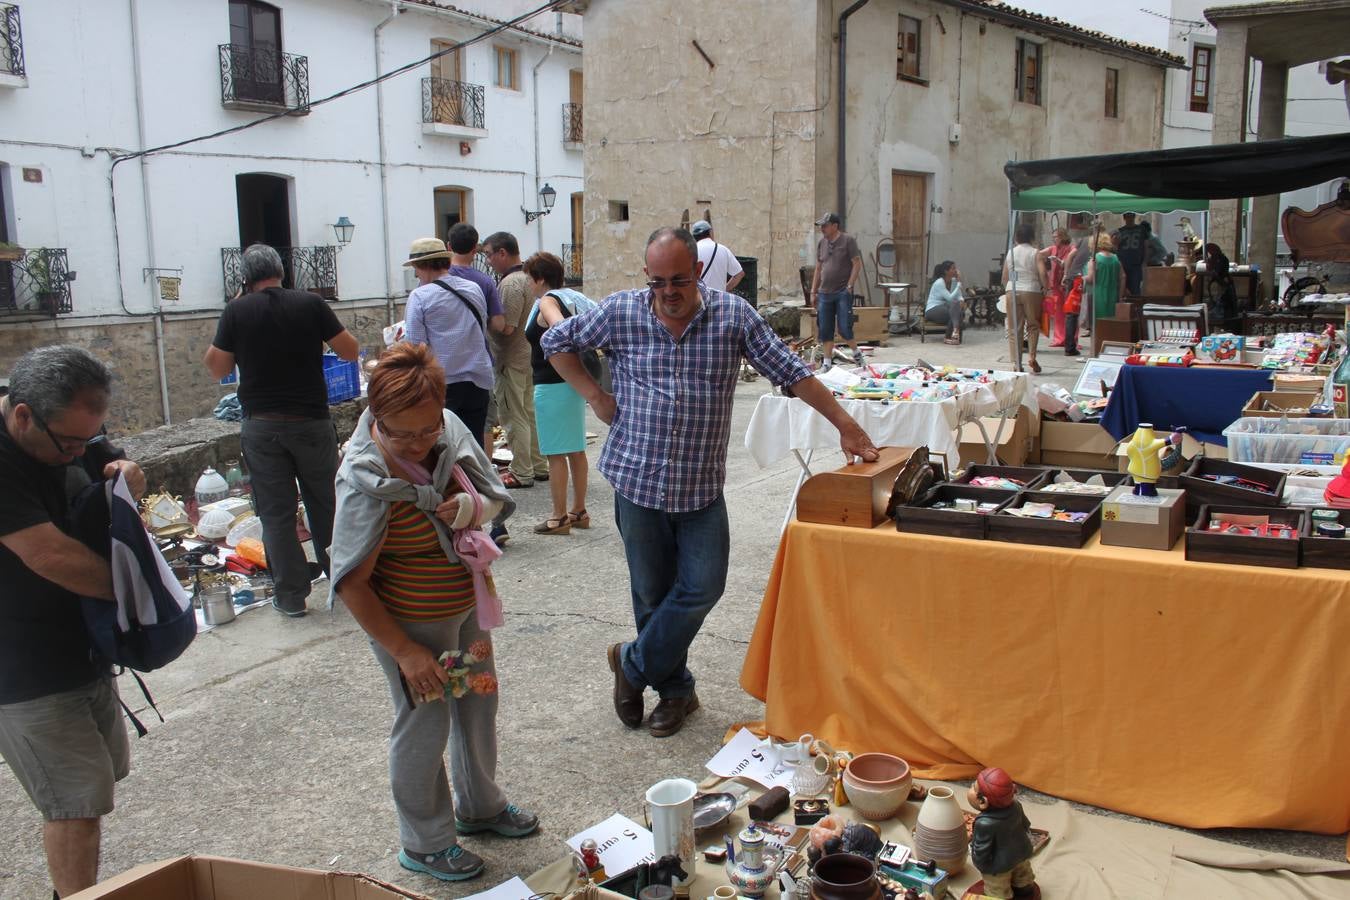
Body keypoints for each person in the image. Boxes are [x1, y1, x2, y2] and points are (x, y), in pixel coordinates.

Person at [542, 227, 878, 737]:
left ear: (698, 270)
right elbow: (554, 341)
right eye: (658, 281)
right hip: (637, 480)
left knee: (701, 588)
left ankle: (630, 664)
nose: (668, 291)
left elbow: (791, 371)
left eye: (679, 279)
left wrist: (845, 425)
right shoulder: (621, 311)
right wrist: (594, 395)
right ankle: (676, 693)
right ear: (646, 278)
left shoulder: (733, 316)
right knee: (652, 597)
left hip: (699, 488)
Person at [329, 342, 537, 884]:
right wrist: (404, 651)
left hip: (463, 608)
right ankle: (425, 842)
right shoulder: (365, 479)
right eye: (401, 434)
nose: (419, 445)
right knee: (424, 723)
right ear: (376, 418)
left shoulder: (446, 428)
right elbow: (350, 581)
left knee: (476, 706)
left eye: (427, 432)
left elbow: (493, 493)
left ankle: (481, 807)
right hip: (409, 625)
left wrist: (474, 506)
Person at [0, 345, 147, 898]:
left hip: (78, 645)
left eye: (90, 438)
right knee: (74, 803)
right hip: (20, 664)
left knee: (101, 779)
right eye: (68, 444)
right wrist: (139, 592)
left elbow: (109, 468)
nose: (78, 453)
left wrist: (126, 471)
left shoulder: (69, 433)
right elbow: (48, 556)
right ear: (22, 415)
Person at [205, 243, 359, 617]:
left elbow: (216, 366)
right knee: (325, 503)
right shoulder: (310, 304)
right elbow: (350, 351)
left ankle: (291, 597)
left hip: (263, 425)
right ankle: (344, 587)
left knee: (276, 514)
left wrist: (239, 306)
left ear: (245, 278)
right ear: (282, 272)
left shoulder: (237, 310)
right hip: (310, 419)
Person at [522, 251, 595, 536]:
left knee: (554, 453)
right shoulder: (573, 298)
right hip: (572, 382)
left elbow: (559, 328)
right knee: (576, 448)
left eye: (530, 279)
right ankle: (579, 510)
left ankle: (558, 516)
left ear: (540, 279)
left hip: (551, 384)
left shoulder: (548, 300)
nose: (529, 284)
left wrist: (558, 350)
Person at [403, 238, 496, 446]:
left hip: (442, 384)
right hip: (477, 380)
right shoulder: (473, 289)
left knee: (444, 448)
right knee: (473, 446)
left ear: (422, 266)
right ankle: (474, 479)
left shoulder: (420, 296)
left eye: (415, 269)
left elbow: (416, 348)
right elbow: (480, 329)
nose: (416, 274)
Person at [482, 231, 549, 490]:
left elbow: (506, 327)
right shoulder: (529, 279)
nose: (488, 261)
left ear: (502, 253)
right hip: (530, 355)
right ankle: (539, 464)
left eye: (489, 254)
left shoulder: (509, 284)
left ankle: (522, 471)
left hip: (510, 358)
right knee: (531, 414)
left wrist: (483, 320)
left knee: (513, 416)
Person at [967, 767, 1037, 900]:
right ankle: (1026, 891)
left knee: (997, 888)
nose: (970, 789)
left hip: (998, 866)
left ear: (983, 802)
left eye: (973, 787)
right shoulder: (1016, 805)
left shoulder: (984, 823)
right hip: (1022, 853)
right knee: (1023, 877)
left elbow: (982, 850)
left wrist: (982, 866)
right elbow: (1026, 825)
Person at [808, 212, 864, 371]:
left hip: (842, 292)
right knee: (825, 328)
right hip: (824, 293)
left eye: (825, 226)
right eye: (821, 226)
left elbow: (856, 264)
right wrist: (813, 291)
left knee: (844, 327)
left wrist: (850, 286)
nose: (822, 229)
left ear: (835, 226)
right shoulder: (822, 243)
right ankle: (827, 363)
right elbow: (818, 268)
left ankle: (857, 353)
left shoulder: (848, 241)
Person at [1002, 224, 1045, 374]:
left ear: (1017, 238)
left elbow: (1005, 276)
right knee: (1033, 325)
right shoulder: (1036, 253)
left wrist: (1010, 286)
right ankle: (1032, 356)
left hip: (1012, 290)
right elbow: (1042, 273)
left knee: (1015, 328)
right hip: (1032, 290)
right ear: (1031, 237)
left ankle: (1016, 362)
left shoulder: (1010, 253)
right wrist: (1046, 287)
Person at [1037, 228, 1073, 348]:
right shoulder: (1052, 249)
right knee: (1058, 312)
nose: (1054, 239)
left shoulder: (1070, 248)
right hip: (1056, 284)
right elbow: (1039, 254)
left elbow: (1071, 260)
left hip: (1067, 283)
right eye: (1053, 236)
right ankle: (1059, 338)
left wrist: (1059, 261)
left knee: (1069, 311)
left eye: (1056, 236)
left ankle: (1070, 338)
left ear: (1062, 237)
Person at [692, 220, 744, 293]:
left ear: (694, 236)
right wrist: (724, 290)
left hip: (699, 298)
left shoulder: (691, 251)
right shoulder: (723, 250)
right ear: (710, 232)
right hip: (719, 300)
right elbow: (739, 274)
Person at [1086, 232, 1126, 328]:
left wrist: (1080, 278)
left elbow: (1091, 279)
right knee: (1111, 324)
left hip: (1098, 295)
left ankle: (1098, 342)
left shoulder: (1095, 259)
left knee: (1098, 325)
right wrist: (1120, 296)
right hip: (1113, 294)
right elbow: (1123, 277)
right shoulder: (1116, 258)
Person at [924, 261, 965, 345]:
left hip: (945, 307)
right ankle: (949, 337)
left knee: (959, 312)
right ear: (946, 271)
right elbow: (950, 298)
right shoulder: (939, 282)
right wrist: (959, 284)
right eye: (953, 268)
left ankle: (953, 336)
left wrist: (961, 300)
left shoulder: (952, 281)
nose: (956, 270)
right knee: (956, 313)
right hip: (933, 309)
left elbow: (957, 295)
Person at [1196, 242, 1237, 323]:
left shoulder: (1221, 259)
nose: (1209, 254)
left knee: (1222, 302)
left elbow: (1219, 272)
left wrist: (1215, 275)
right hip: (1219, 282)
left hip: (1222, 283)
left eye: (1210, 252)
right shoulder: (1215, 259)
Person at [1112, 212, 1148, 295]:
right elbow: (1115, 247)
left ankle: (1135, 306)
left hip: (1136, 264)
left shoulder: (1141, 229)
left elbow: (1146, 246)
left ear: (1134, 217)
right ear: (1124, 218)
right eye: (1127, 217)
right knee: (1122, 287)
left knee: (1135, 288)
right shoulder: (1119, 231)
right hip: (1123, 263)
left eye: (1131, 216)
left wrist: (1145, 261)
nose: (1130, 219)